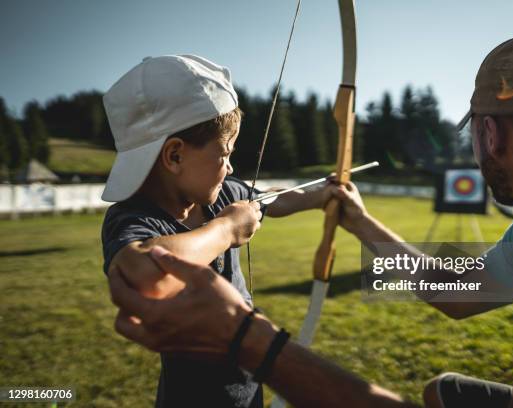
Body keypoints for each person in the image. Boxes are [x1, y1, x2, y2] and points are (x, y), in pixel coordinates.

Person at [108, 34, 513, 407]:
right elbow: (456, 291)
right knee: (445, 394)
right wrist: (361, 223)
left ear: (489, 136)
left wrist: (247, 337)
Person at [100, 54, 336, 408]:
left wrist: (323, 195)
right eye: (224, 153)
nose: (229, 167)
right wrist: (225, 229)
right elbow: (145, 272)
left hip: (248, 384)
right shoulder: (134, 218)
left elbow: (274, 200)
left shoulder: (220, 192)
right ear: (175, 156)